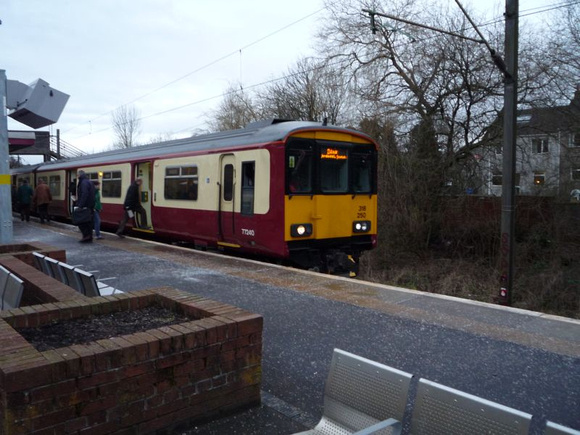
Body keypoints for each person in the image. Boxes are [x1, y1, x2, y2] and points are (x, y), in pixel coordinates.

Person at [76, 170, 96, 243]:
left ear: (80, 175)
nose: (77, 176)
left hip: (85, 206)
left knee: (81, 221)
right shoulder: (89, 182)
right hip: (90, 205)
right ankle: (89, 236)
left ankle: (86, 236)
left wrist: (80, 205)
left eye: (77, 175)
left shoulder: (83, 183)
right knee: (88, 222)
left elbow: (84, 194)